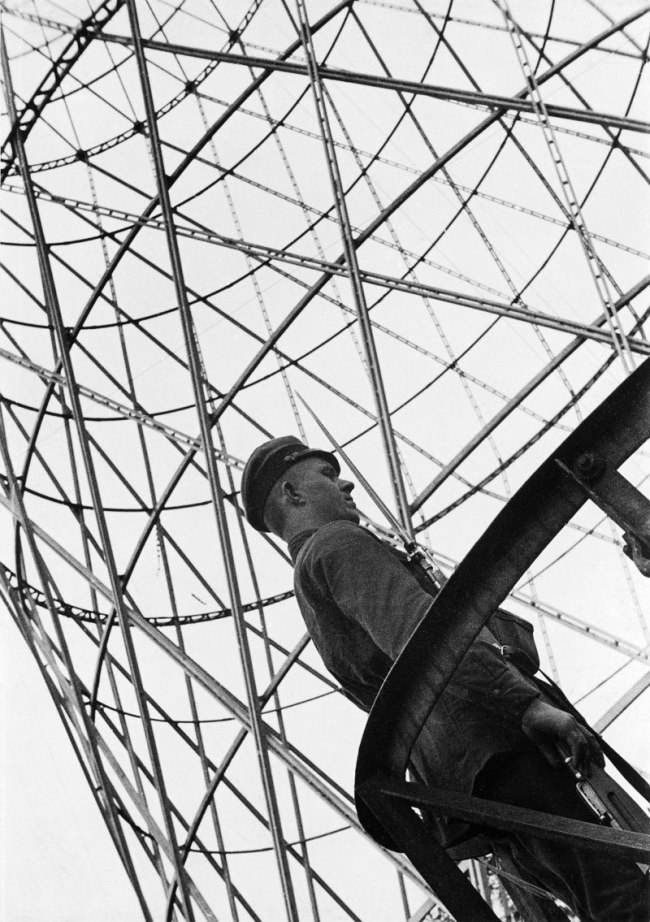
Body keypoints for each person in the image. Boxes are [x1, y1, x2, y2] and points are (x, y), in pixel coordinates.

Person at [241, 435, 650, 922]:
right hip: (493, 741)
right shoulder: (337, 543)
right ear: (292, 495)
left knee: (593, 901)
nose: (346, 482)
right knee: (620, 893)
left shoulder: (307, 588)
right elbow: (427, 640)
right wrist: (529, 707)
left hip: (457, 779)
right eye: (327, 477)